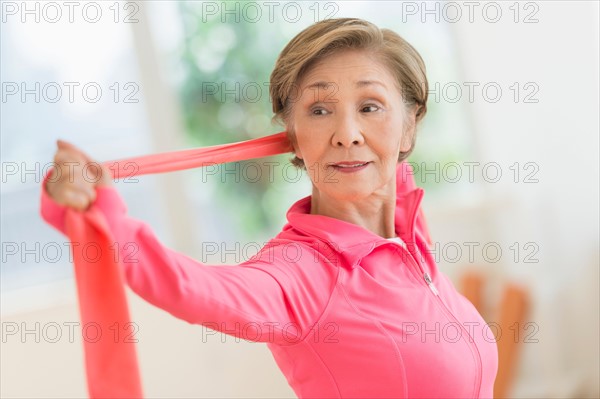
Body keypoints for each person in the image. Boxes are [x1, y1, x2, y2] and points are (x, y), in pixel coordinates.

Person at [42, 18, 498, 398]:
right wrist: (99, 214)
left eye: (371, 106)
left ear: (409, 127)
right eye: (319, 110)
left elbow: (390, 180)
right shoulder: (298, 273)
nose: (347, 133)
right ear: (293, 135)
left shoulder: (407, 239)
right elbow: (191, 286)